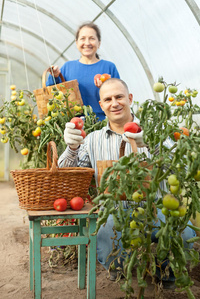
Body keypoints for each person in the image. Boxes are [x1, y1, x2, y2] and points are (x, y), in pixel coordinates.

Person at [58, 78, 195, 284]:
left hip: (156, 208)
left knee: (184, 234)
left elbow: (181, 169)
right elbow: (64, 177)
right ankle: (119, 269)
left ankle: (166, 273)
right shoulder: (93, 139)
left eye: (119, 97)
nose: (115, 103)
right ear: (101, 105)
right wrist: (72, 148)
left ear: (130, 98)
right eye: (108, 99)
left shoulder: (156, 131)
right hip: (114, 210)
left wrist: (152, 144)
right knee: (104, 231)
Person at [46, 22, 120, 121]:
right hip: (73, 124)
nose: (87, 43)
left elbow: (119, 95)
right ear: (76, 43)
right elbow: (51, 93)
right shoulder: (68, 67)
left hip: (101, 123)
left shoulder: (109, 67)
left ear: (99, 43)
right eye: (82, 38)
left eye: (92, 38)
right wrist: (54, 76)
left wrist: (105, 88)